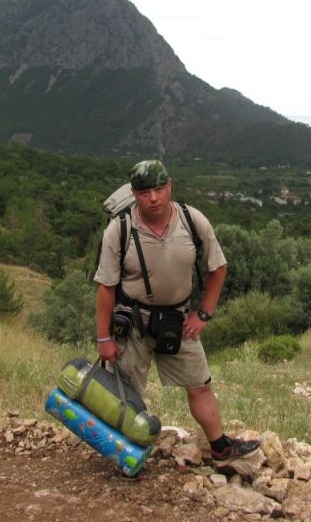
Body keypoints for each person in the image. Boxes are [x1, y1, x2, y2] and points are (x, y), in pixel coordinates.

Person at [94, 160, 259, 478]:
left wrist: (205, 314)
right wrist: (103, 338)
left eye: (159, 189)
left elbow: (218, 268)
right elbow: (106, 286)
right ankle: (124, 457)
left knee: (200, 385)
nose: (153, 197)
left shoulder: (193, 221)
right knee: (124, 391)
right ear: (134, 194)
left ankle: (221, 449)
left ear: (169, 185)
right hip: (132, 321)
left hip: (178, 320)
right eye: (144, 192)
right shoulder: (121, 228)